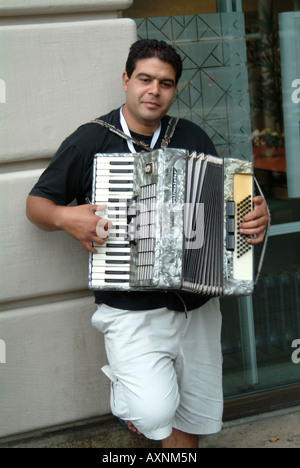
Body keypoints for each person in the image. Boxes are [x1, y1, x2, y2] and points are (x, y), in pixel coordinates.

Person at [26, 39, 269, 448]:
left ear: (175, 90)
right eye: (145, 79)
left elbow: (225, 202)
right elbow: (37, 204)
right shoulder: (91, 140)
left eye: (166, 83)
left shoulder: (191, 136)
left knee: (190, 420)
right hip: (130, 308)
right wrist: (65, 217)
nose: (154, 90)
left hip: (197, 306)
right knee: (152, 410)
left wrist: (252, 215)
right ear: (126, 80)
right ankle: (130, 396)